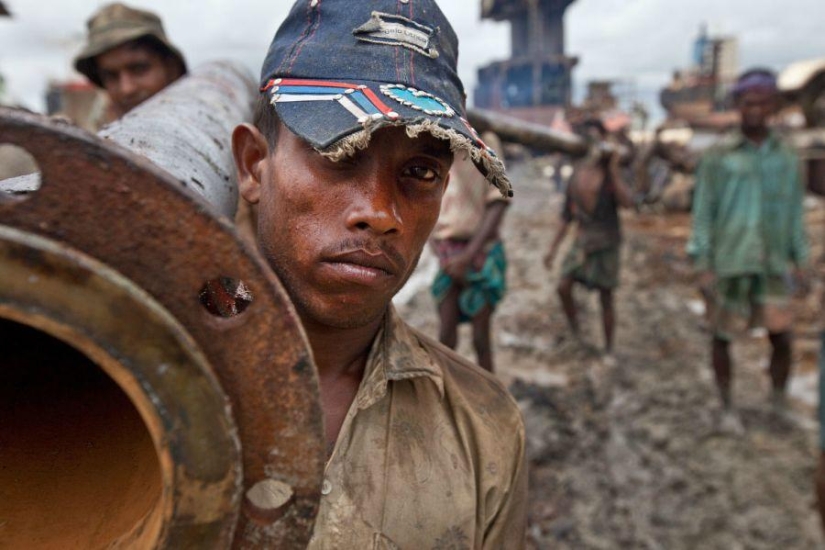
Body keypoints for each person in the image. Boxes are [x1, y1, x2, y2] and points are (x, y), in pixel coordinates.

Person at [230, 0, 527, 547]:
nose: (380, 211)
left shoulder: (485, 429)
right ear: (254, 163)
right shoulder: (131, 379)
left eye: (420, 171)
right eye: (337, 152)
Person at [687, 68, 808, 434]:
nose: (754, 109)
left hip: (771, 262)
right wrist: (702, 262)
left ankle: (777, 403)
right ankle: (727, 409)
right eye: (747, 103)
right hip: (729, 261)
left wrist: (801, 260)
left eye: (762, 103)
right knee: (723, 336)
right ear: (738, 105)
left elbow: (794, 211)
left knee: (782, 337)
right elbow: (703, 212)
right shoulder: (719, 157)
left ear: (772, 106)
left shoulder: (786, 157)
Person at [544, 119, 634, 356]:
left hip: (606, 241)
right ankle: (576, 332)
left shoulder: (609, 173)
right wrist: (552, 250)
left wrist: (614, 170)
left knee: (606, 298)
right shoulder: (576, 174)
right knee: (563, 287)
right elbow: (567, 216)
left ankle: (608, 349)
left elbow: (627, 203)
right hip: (582, 241)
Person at [430, 131, 510, 372]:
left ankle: (490, 400)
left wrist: (467, 256)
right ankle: (446, 399)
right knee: (445, 335)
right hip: (447, 253)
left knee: (480, 337)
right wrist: (436, 247)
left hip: (481, 251)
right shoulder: (433, 142)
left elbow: (498, 201)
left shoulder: (486, 142)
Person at [73, 2, 186, 124]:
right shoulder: (100, 130)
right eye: (111, 76)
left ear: (171, 69)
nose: (126, 89)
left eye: (139, 69)